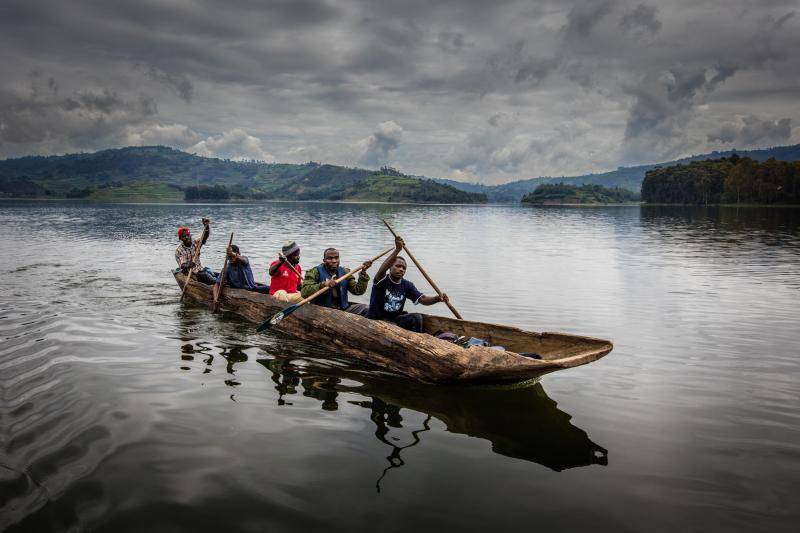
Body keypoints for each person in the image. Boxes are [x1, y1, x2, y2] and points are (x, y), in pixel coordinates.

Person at [367, 236, 448, 332]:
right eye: (398, 266)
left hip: (394, 321)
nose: (401, 269)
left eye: (404, 268)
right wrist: (397, 250)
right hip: (376, 321)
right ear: (390, 267)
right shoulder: (381, 280)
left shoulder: (407, 285)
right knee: (390, 325)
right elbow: (381, 270)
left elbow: (422, 299)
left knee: (417, 317)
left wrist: (437, 299)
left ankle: (417, 341)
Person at [301, 247, 372, 316]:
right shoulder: (315, 272)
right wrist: (323, 284)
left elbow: (358, 291)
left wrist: (363, 273)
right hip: (323, 312)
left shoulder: (345, 272)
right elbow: (304, 293)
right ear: (324, 260)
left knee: (369, 309)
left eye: (336, 258)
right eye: (330, 258)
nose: (334, 261)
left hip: (343, 309)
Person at [175, 218, 217, 285]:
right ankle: (218, 283)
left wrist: (207, 226)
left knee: (218, 274)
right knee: (204, 276)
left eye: (188, 235)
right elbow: (182, 265)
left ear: (190, 235)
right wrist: (188, 265)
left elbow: (205, 237)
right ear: (180, 238)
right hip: (191, 274)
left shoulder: (195, 243)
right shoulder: (179, 250)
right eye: (184, 236)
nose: (186, 237)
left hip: (200, 269)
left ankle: (220, 282)